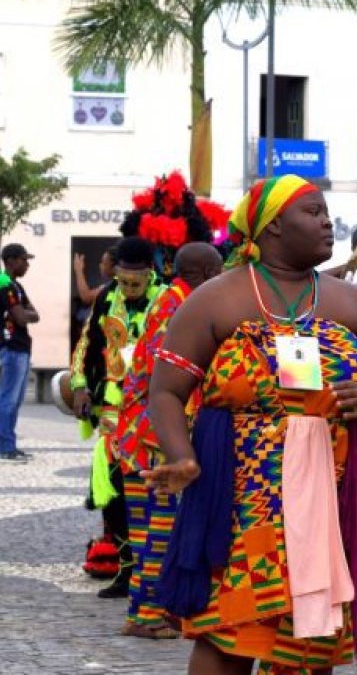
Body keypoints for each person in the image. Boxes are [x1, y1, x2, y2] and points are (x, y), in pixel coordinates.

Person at [144, 175, 357, 675]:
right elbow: (165, 390)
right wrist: (181, 455)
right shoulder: (215, 299)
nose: (327, 220)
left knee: (310, 636)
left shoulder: (351, 303)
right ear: (271, 228)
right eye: (312, 211)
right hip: (244, 498)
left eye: (326, 210)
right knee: (229, 630)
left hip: (327, 498)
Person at [112, 241, 223, 639]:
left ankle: (142, 611)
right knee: (158, 532)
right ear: (211, 274)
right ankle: (147, 615)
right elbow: (173, 378)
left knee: (148, 533)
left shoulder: (172, 300)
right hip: (154, 438)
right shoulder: (182, 306)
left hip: (138, 434)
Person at [70, 236, 166, 598]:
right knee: (114, 493)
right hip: (113, 410)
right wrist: (80, 385)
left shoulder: (168, 300)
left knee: (152, 491)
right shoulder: (108, 298)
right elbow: (86, 344)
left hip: (152, 408)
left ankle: (154, 572)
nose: (127, 290)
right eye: (122, 281)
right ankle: (126, 569)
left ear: (149, 274)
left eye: (134, 283)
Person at [0, 243, 39, 463]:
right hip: (12, 347)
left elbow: (35, 314)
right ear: (11, 260)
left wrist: (25, 313)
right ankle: (5, 446)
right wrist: (25, 313)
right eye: (24, 260)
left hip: (21, 348)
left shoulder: (17, 287)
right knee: (8, 398)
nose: (27, 264)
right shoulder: (5, 286)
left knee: (15, 399)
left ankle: (8, 444)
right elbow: (24, 317)